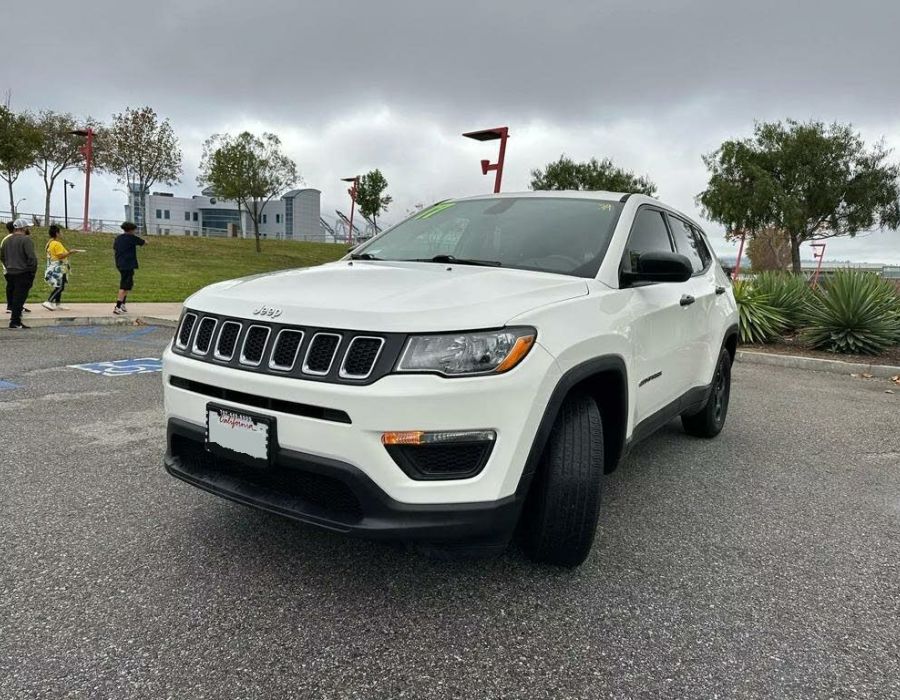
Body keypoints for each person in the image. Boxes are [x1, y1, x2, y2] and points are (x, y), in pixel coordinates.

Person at [0, 219, 38, 329]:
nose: (28, 229)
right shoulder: (26, 240)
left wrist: (8, 265)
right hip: (23, 272)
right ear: (23, 228)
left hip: (11, 271)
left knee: (15, 296)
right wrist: (32, 271)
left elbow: (2, 256)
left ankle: (15, 319)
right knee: (19, 297)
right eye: (27, 227)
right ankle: (15, 321)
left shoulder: (7, 240)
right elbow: (31, 258)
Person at [42, 225, 83, 311]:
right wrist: (70, 252)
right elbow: (60, 255)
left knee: (60, 285)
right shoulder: (57, 244)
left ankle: (58, 303)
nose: (62, 233)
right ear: (57, 233)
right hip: (59, 268)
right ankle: (49, 301)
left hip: (54, 266)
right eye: (60, 232)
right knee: (60, 286)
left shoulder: (50, 243)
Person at [113, 221, 146, 314]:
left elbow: (115, 248)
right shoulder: (132, 238)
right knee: (124, 286)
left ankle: (123, 303)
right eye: (134, 230)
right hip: (127, 264)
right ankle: (117, 306)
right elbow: (143, 243)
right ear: (131, 230)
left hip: (120, 264)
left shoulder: (118, 238)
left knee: (128, 285)